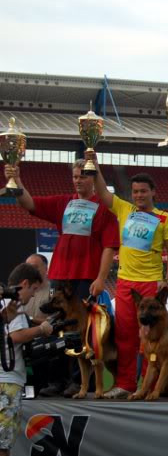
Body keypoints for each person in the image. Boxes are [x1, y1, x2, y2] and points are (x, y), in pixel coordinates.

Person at [4, 160, 119, 397]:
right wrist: (17, 180)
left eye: (83, 176)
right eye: (75, 176)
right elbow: (29, 203)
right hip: (60, 275)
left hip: (86, 276)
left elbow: (109, 247)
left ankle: (78, 381)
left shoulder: (105, 208)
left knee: (82, 332)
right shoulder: (63, 203)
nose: (78, 180)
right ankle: (56, 380)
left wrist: (101, 278)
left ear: (93, 179)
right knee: (56, 329)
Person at [91, 152, 168, 399]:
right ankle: (126, 384)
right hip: (125, 283)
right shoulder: (124, 209)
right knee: (125, 336)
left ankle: (150, 386)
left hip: (151, 284)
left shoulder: (165, 219)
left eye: (143, 191)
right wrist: (94, 166)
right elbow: (103, 192)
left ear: (153, 192)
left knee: (150, 338)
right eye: (135, 191)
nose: (139, 195)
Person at [0, 263, 54, 455]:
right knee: (2, 445)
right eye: (33, 289)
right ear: (24, 284)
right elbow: (15, 335)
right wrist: (41, 329)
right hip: (7, 383)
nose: (33, 295)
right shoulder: (13, 304)